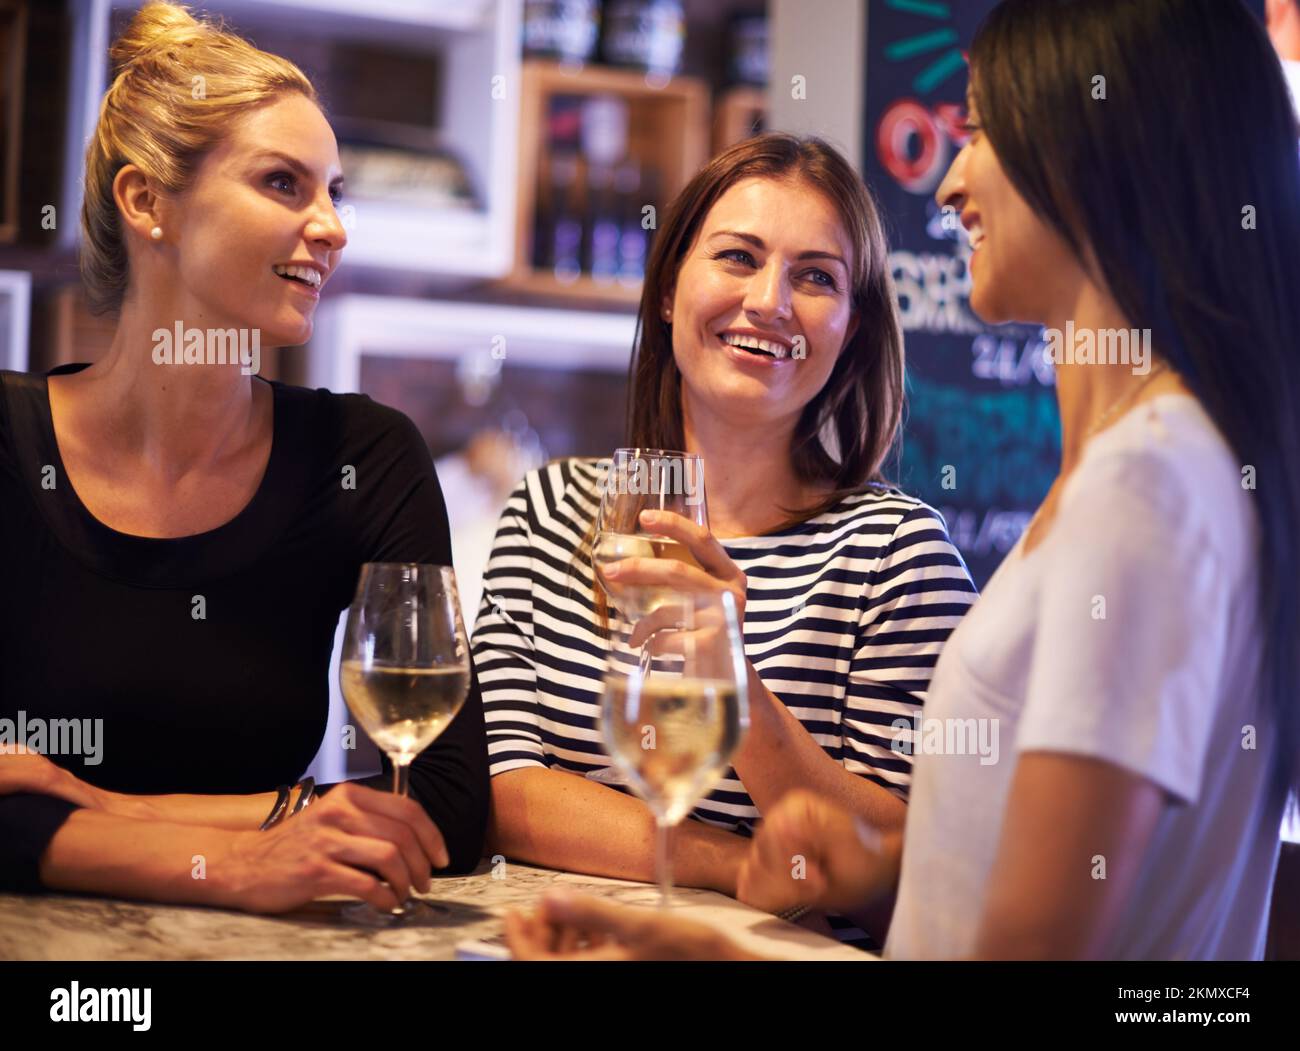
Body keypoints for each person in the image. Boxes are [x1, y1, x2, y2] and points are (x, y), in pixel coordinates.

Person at [506, 0, 1300, 961]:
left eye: (984, 132)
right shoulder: (1134, 470)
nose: (953, 182)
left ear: (1096, 156)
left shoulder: (1149, 484)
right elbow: (984, 895)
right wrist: (829, 891)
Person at [0, 2, 489, 912]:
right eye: (283, 184)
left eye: (335, 191)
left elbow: (444, 809)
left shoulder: (368, 457)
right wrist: (238, 857)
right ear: (147, 201)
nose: (332, 226)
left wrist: (106, 807)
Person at [473, 132, 977, 948]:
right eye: (738, 257)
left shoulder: (897, 554)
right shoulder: (550, 507)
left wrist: (734, 689)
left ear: (851, 327)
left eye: (816, 277)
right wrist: (738, 865)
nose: (771, 301)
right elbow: (504, 794)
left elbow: (910, 867)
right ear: (671, 289)